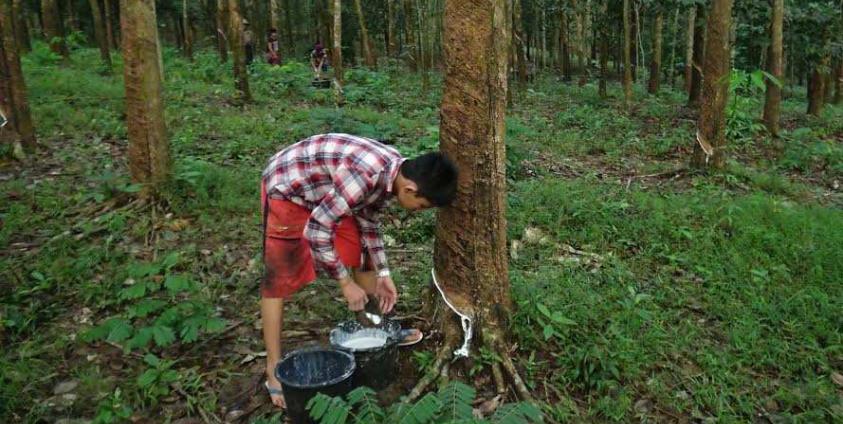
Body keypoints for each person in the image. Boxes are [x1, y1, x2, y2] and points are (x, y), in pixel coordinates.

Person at [260, 134, 458, 408]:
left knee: (362, 252)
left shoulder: (394, 172)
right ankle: (273, 369)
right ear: (410, 189)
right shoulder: (364, 176)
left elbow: (368, 222)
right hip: (287, 187)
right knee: (279, 275)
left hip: (328, 191)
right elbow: (317, 231)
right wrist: (345, 283)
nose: (419, 211)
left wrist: (384, 274)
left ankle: (376, 330)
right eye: (422, 206)